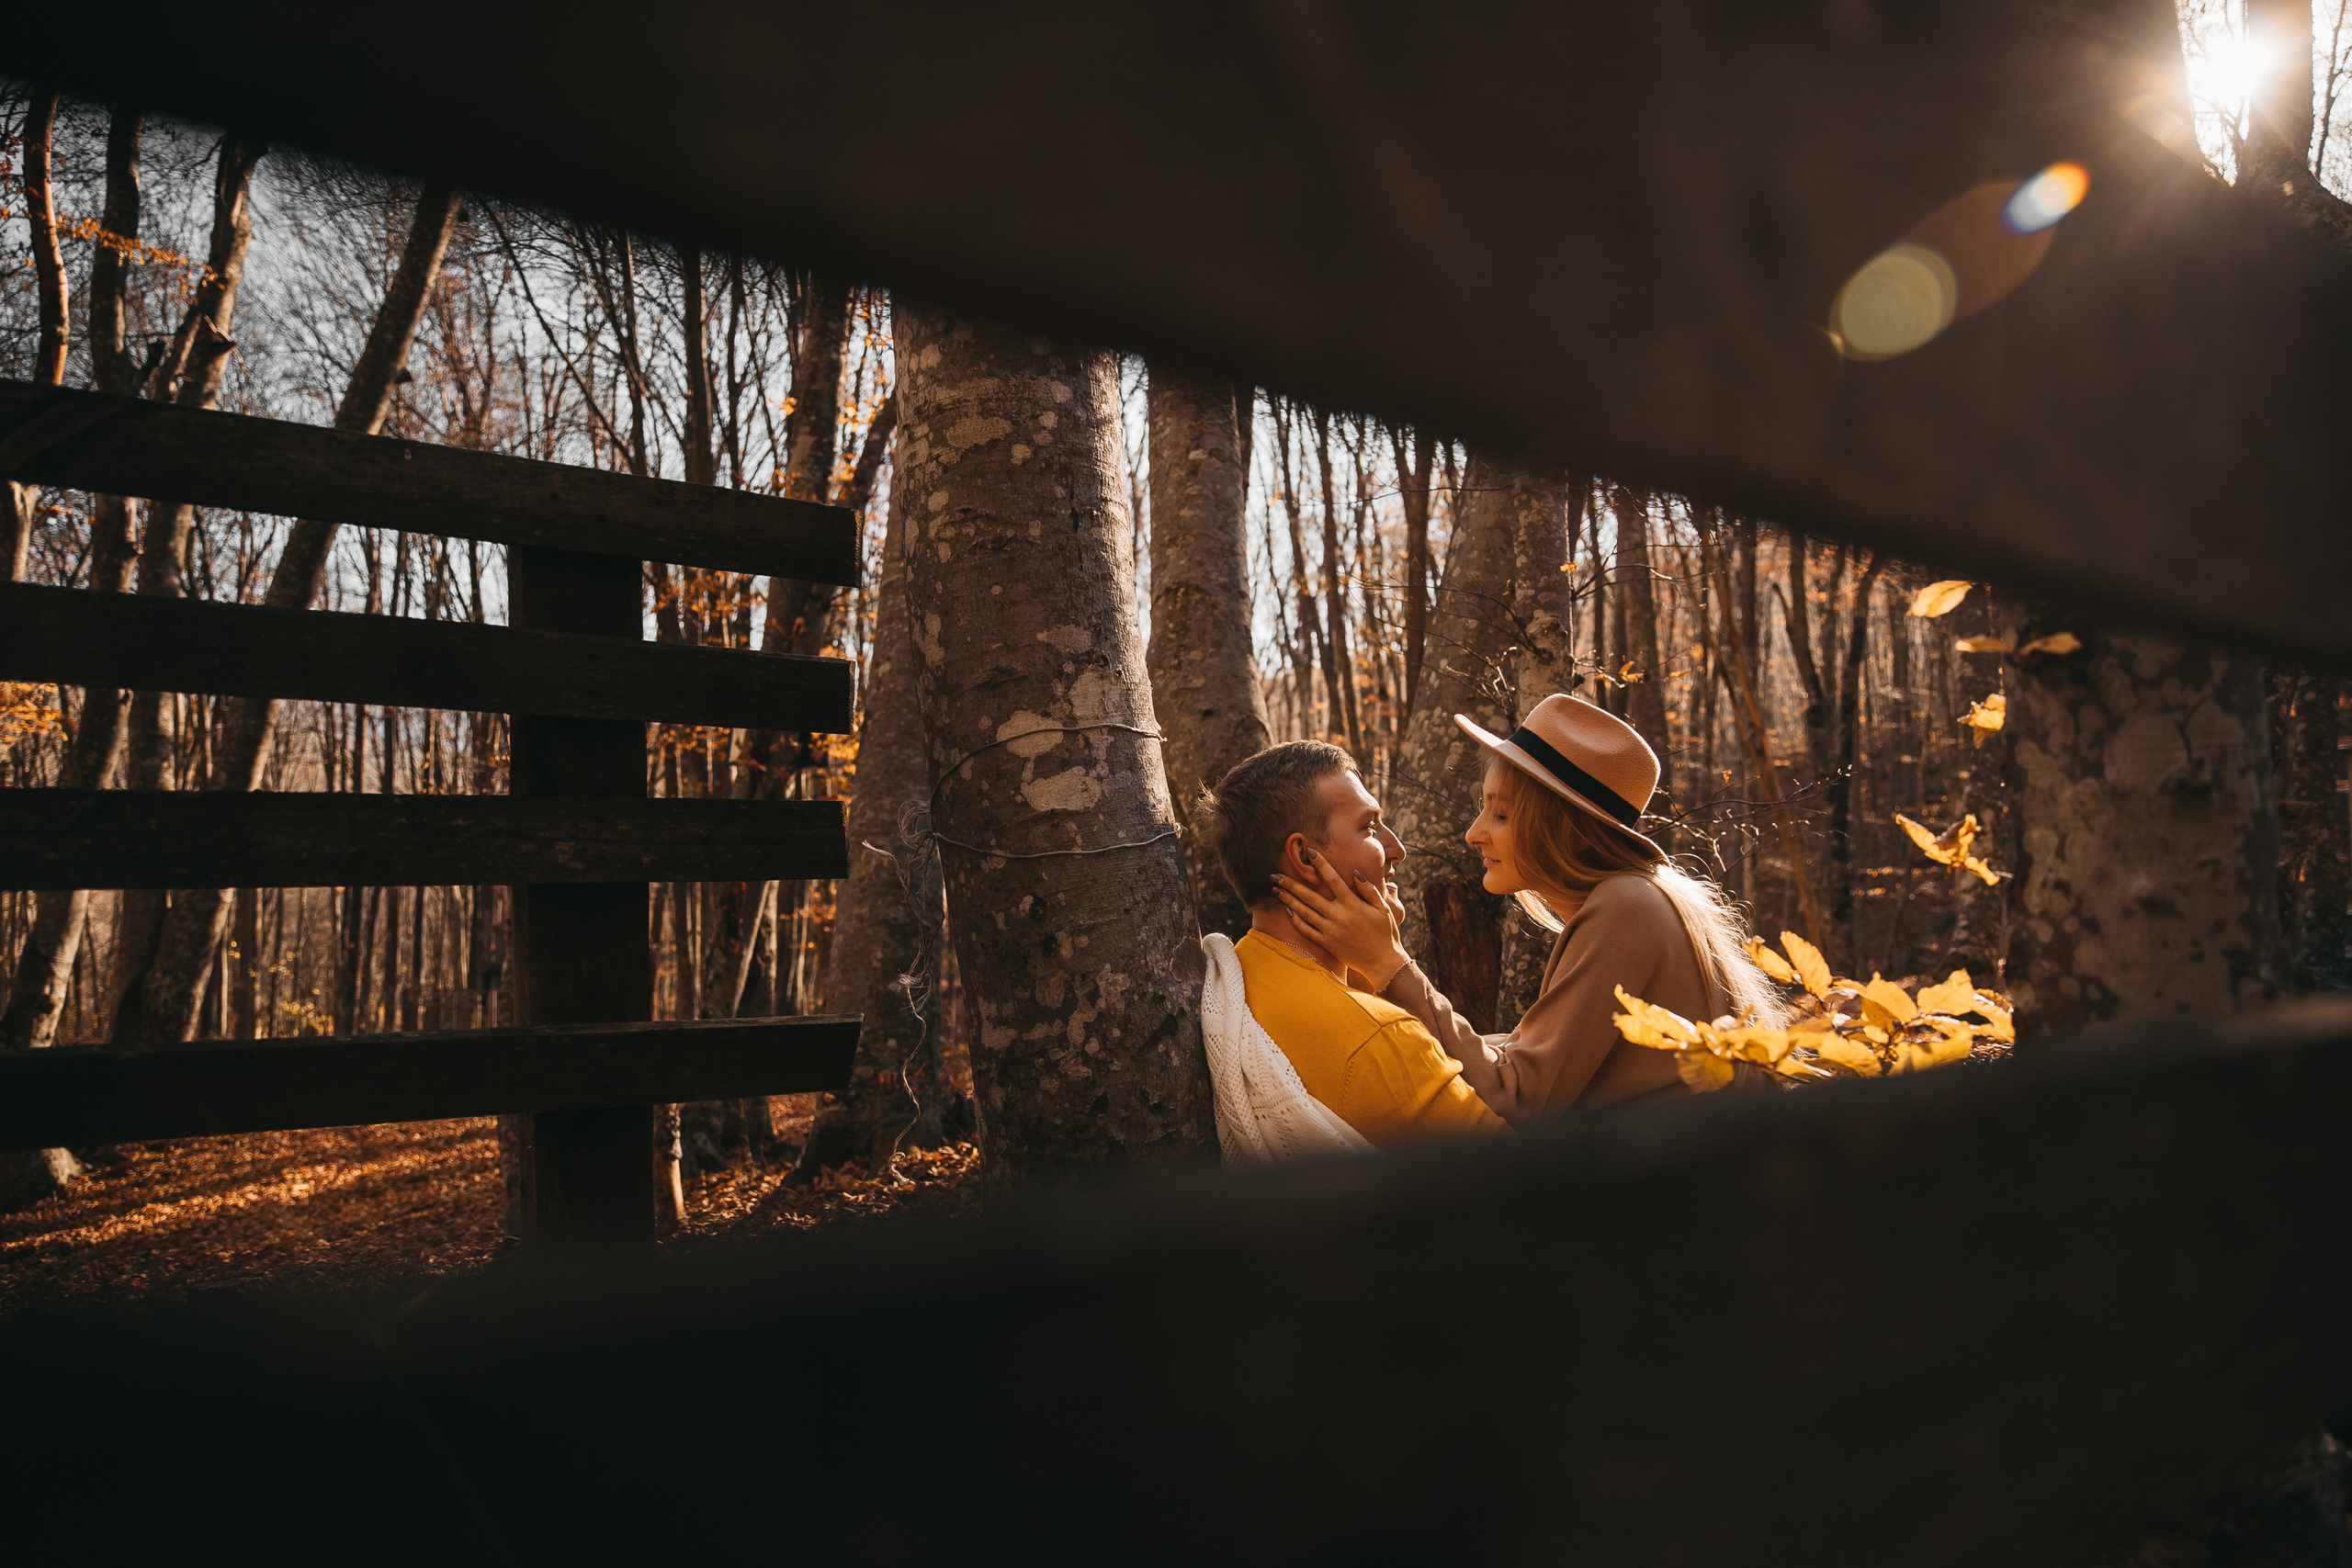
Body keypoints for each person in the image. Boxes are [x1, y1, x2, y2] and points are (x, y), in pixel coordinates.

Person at [1272, 694, 1782, 1121]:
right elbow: (1520, 1055)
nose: (1475, 834)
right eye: (1483, 808)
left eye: (1501, 814)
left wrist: (1388, 963)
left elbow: (1519, 1098)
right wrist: (1373, 972)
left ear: (1563, 826)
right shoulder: (1643, 898)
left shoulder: (1627, 907)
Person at [1192, 740, 1508, 1146]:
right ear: (1305, 857)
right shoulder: (1383, 1041)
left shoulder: (1238, 977)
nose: (1397, 849)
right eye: (1370, 828)